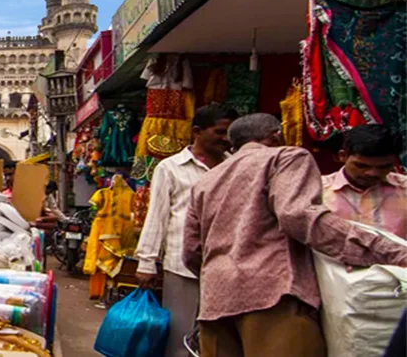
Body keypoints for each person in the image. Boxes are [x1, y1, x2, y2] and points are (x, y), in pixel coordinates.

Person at [183, 114, 407, 357]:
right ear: (276, 136)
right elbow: (298, 217)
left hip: (216, 302)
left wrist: (222, 276)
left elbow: (191, 251)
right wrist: (393, 253)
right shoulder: (286, 156)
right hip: (272, 297)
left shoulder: (207, 179)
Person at [134, 103, 237, 357]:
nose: (226, 139)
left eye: (230, 133)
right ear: (197, 132)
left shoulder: (235, 166)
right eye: (220, 132)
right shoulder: (170, 168)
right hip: (182, 268)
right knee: (180, 339)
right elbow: (157, 216)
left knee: (220, 339)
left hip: (228, 267)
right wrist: (146, 262)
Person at [321, 124, 406, 239]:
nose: (372, 173)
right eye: (361, 166)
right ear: (342, 156)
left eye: (383, 167)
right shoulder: (316, 190)